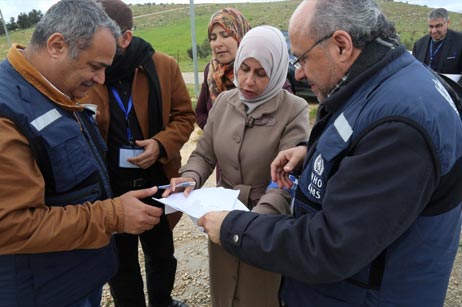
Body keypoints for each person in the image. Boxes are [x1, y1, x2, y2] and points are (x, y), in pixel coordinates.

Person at [198, 0, 462, 306]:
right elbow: (362, 144)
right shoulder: (384, 84)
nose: (297, 75)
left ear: (341, 45)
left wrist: (234, 229)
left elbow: (330, 246)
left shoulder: (400, 126)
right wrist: (308, 155)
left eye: (302, 59)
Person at [0, 0, 164, 306]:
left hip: (70, 280)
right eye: (95, 66)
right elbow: (10, 225)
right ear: (57, 45)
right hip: (39, 293)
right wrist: (113, 215)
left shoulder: (52, 90)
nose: (101, 79)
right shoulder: (7, 112)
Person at [165, 25, 310, 307]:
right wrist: (190, 177)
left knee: (259, 292)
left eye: (261, 73)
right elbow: (204, 153)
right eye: (244, 69)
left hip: (266, 224)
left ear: (278, 72)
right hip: (222, 213)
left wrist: (251, 226)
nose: (248, 82)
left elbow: (283, 182)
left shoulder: (295, 110)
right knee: (225, 289)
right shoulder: (224, 102)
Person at [84, 1, 195, 307]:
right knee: (120, 264)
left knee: (161, 254)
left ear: (126, 37)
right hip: (111, 190)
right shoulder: (89, 71)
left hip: (156, 181)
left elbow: (185, 118)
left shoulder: (164, 66)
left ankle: (163, 301)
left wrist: (160, 145)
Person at [195, 8, 251, 130]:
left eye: (225, 35)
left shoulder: (260, 70)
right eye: (213, 38)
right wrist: (214, 134)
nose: (218, 43)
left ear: (241, 36)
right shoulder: (211, 71)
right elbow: (200, 113)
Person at [412, 8, 462, 76]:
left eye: (438, 26)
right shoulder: (419, 44)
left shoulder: (459, 41)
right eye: (431, 26)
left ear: (448, 23)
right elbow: (414, 69)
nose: (434, 31)